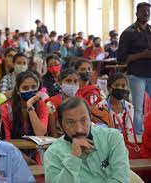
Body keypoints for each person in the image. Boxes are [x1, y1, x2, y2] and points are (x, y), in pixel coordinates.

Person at [44, 97, 130, 183]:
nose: (79, 129)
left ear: (90, 119)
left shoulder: (112, 138)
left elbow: (121, 179)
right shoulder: (53, 153)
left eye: (83, 120)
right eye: (70, 122)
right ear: (60, 124)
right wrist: (73, 158)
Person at [118, 2, 151, 139]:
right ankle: (138, 135)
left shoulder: (150, 31)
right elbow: (121, 58)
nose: (147, 14)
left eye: (148, 11)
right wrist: (141, 55)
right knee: (138, 107)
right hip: (136, 75)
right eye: (143, 11)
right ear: (136, 13)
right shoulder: (128, 33)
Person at [1, 71, 48, 140]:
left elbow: (40, 133)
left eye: (34, 87)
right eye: (25, 88)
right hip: (13, 148)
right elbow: (7, 138)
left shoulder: (41, 105)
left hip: (36, 149)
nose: (30, 90)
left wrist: (29, 106)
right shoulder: (6, 108)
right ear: (18, 90)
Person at [97, 73, 136, 143]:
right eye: (116, 85)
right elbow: (101, 133)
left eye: (123, 86)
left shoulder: (129, 107)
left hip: (124, 144)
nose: (120, 88)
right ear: (109, 88)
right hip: (106, 143)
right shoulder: (101, 107)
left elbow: (129, 132)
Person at [45, 69, 79, 137]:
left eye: (75, 81)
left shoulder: (80, 103)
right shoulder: (51, 103)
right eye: (68, 81)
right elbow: (53, 132)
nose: (72, 84)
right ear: (59, 83)